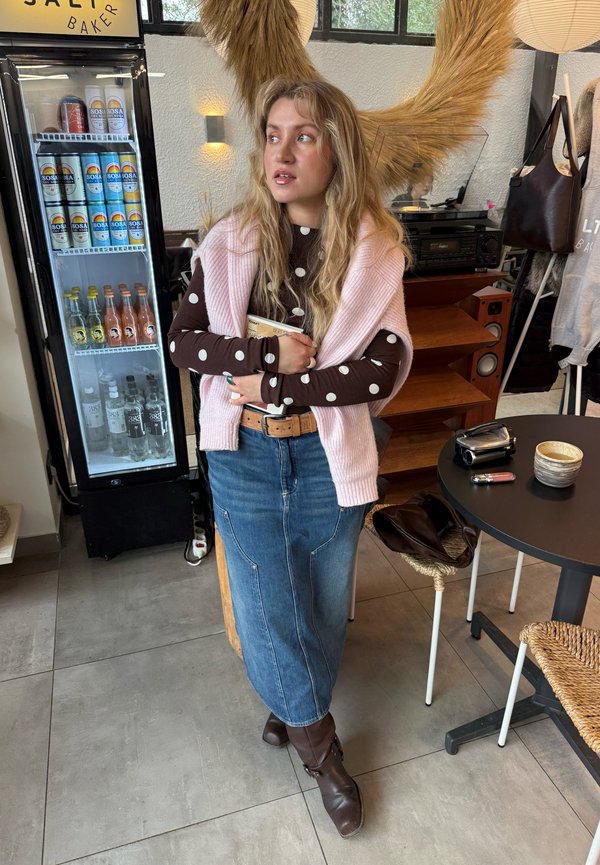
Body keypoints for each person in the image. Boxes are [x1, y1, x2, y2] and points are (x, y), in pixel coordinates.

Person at [168, 78, 413, 838]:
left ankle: (287, 705)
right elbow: (184, 340)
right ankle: (320, 746)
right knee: (268, 607)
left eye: (302, 135)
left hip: (330, 456)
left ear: (337, 148)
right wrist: (257, 351)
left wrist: (275, 377)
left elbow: (384, 362)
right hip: (243, 454)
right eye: (273, 134)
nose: (282, 150)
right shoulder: (230, 240)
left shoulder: (376, 247)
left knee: (322, 603)